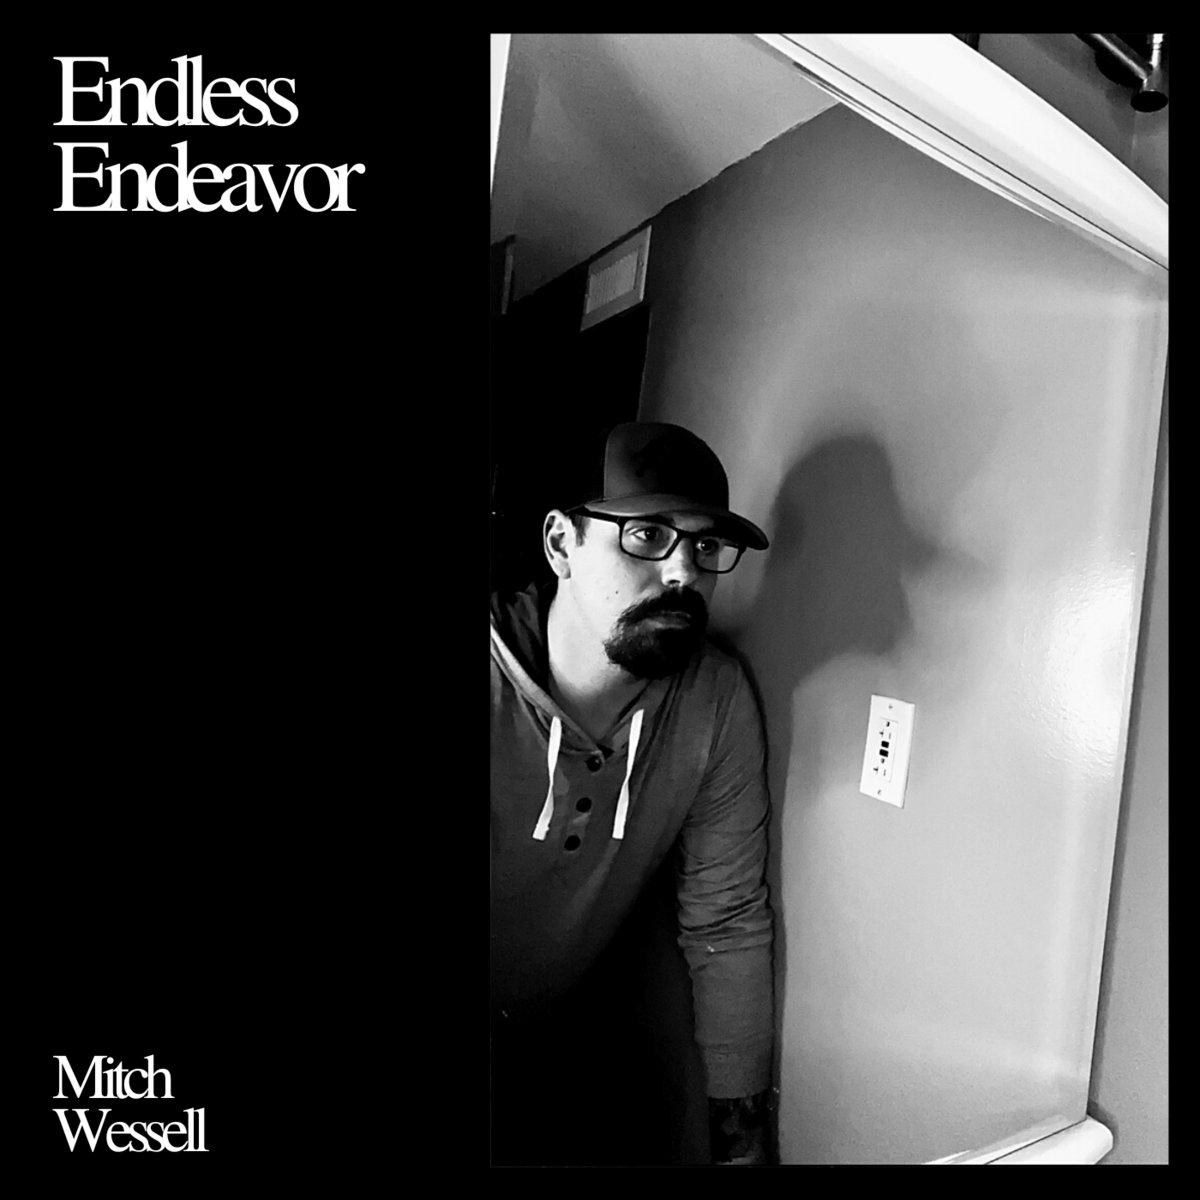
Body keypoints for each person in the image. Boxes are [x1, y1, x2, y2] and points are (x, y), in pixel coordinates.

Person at [490, 421, 776, 1166]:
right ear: (561, 545)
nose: (684, 572)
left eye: (706, 547)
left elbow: (727, 925)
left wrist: (742, 1152)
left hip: (544, 1058)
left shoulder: (715, 703)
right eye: (647, 535)